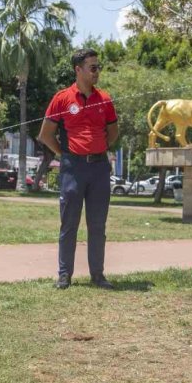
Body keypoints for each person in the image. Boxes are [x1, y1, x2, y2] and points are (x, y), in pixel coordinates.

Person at [38, 49, 119, 290]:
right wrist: (66, 155)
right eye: (93, 67)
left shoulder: (105, 99)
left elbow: (113, 132)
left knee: (98, 225)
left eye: (98, 67)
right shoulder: (62, 99)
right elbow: (45, 135)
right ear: (78, 70)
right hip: (73, 169)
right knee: (69, 223)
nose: (97, 72)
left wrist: (99, 148)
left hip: (100, 168)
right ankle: (64, 276)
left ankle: (98, 275)